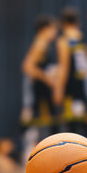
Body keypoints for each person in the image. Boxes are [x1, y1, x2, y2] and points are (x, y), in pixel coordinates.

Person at [19, 15, 58, 162]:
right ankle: (18, 149)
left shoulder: (44, 43)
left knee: (41, 119)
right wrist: (46, 78)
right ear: (44, 29)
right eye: (53, 29)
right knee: (32, 118)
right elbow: (27, 66)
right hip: (37, 89)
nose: (54, 32)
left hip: (41, 89)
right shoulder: (40, 43)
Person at [55, 7, 87, 136]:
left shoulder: (64, 41)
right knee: (82, 122)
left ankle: (72, 153)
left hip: (69, 88)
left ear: (63, 23)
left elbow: (64, 67)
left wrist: (58, 90)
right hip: (81, 87)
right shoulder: (80, 38)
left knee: (71, 124)